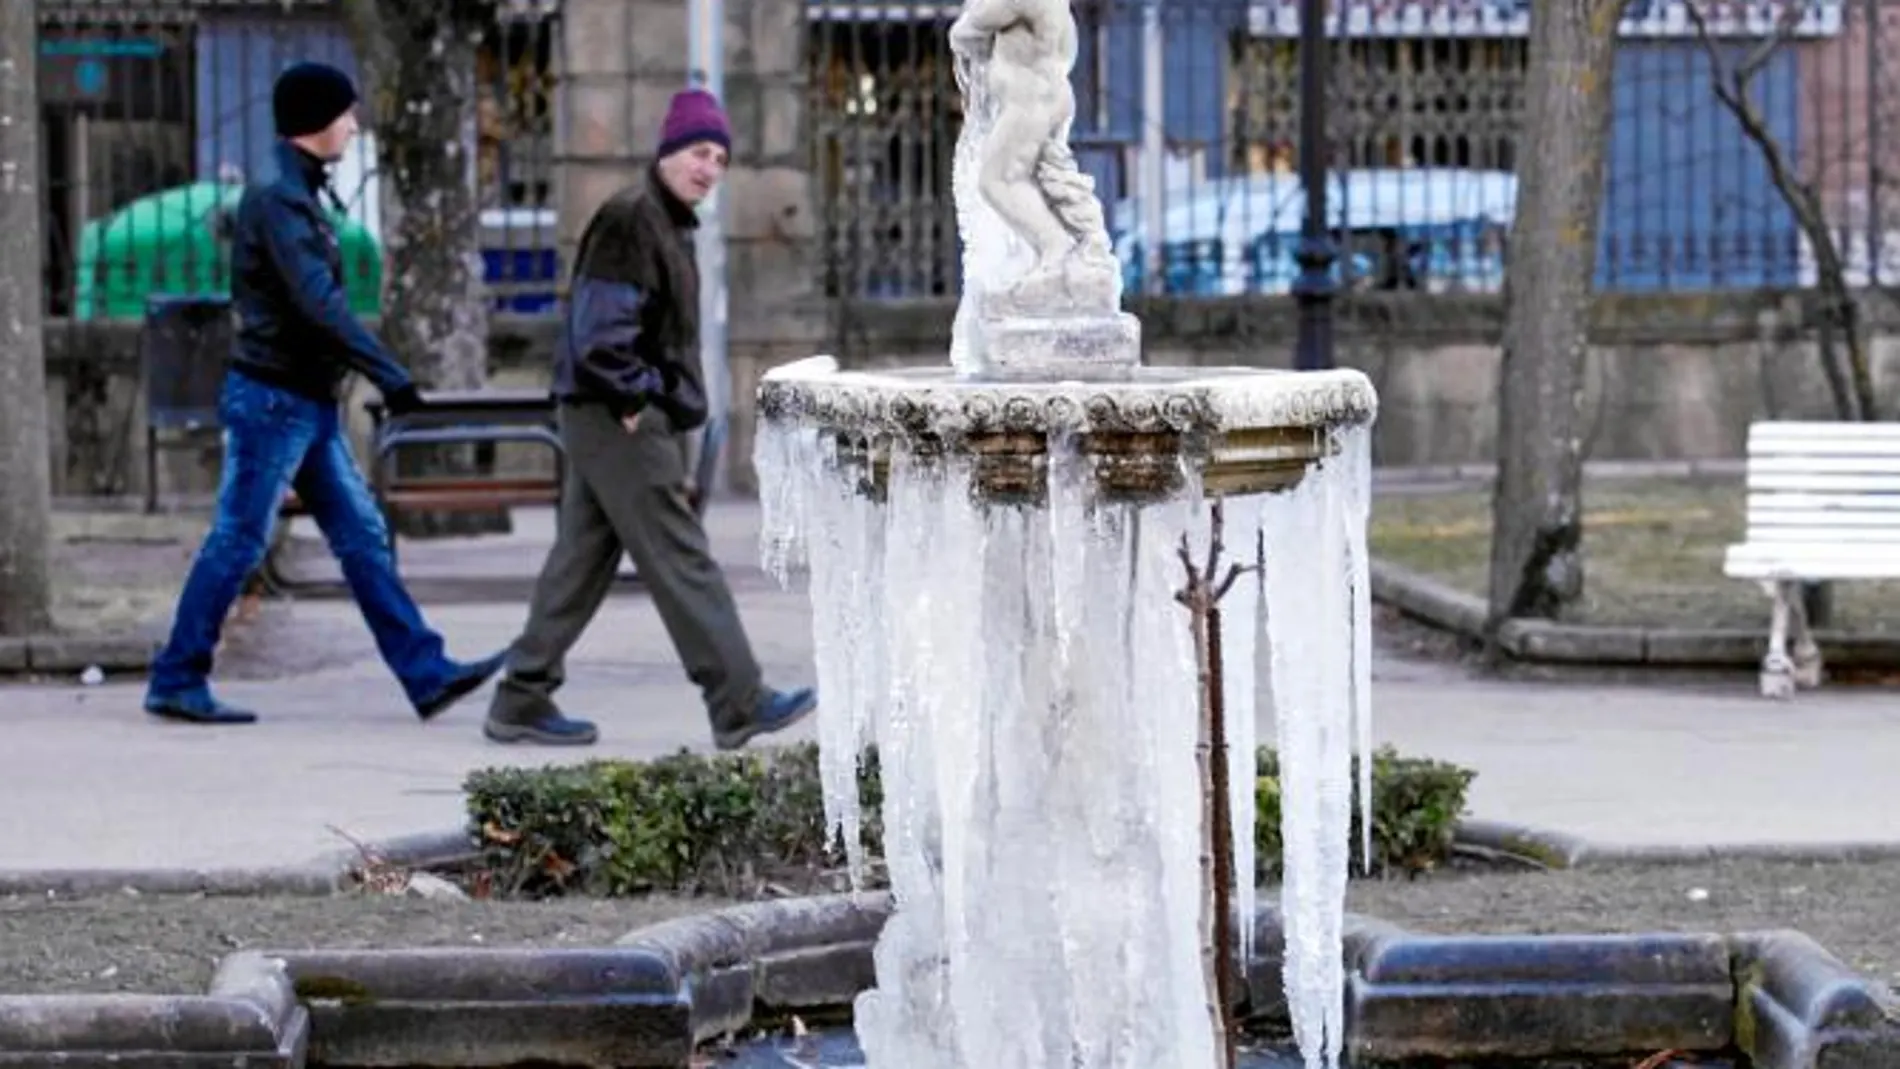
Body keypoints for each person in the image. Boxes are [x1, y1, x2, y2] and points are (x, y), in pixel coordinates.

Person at [142, 62, 505, 725]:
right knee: (240, 539)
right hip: (273, 402)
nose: (355, 123)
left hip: (301, 402)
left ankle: (425, 673)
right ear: (316, 122)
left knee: (361, 534)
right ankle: (176, 674)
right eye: (346, 113)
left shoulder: (298, 193)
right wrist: (390, 373)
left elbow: (317, 305)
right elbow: (319, 305)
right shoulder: (281, 200)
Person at [484, 89, 816, 748]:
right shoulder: (634, 218)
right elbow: (601, 329)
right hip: (619, 413)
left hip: (606, 409)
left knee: (581, 558)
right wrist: (634, 397)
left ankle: (521, 693)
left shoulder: (663, 221)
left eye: (719, 157)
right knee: (681, 553)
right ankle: (739, 698)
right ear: (667, 150)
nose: (709, 168)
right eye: (698, 151)